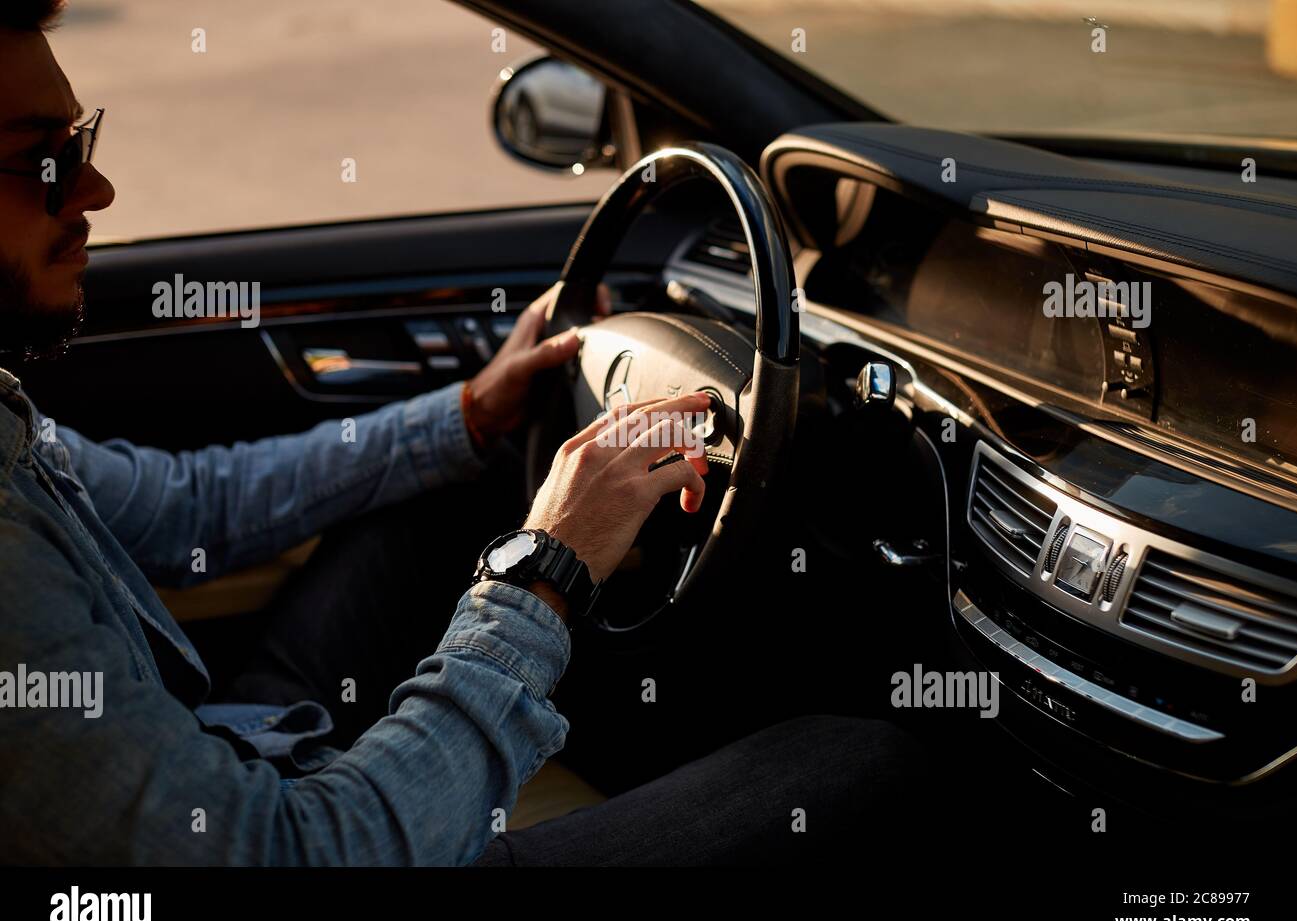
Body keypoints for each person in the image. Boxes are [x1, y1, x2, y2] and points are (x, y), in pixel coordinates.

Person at [0, 0, 929, 865]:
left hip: (239, 749)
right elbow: (292, 853)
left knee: (453, 489)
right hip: (300, 840)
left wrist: (469, 415)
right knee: (861, 763)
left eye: (80, 141)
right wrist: (547, 571)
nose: (97, 187)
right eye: (41, 159)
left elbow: (187, 508)